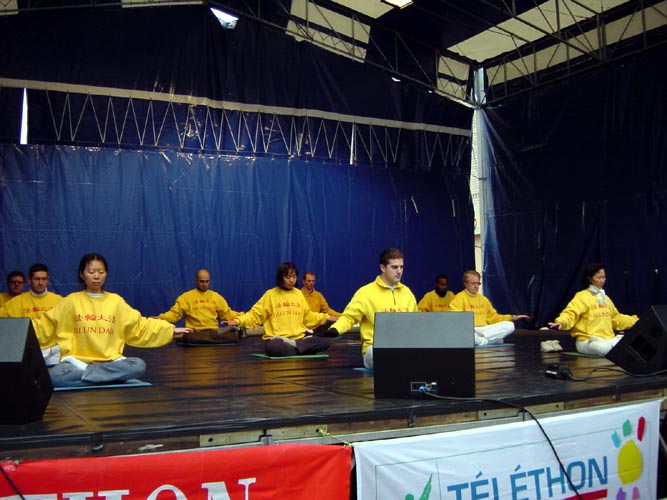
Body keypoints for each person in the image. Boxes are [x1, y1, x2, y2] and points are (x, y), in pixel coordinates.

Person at [31, 253, 190, 387]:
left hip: (110, 362)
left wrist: (170, 330)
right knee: (56, 375)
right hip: (76, 363)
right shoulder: (70, 302)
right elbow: (45, 325)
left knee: (138, 365)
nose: (96, 276)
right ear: (82, 274)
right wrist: (21, 330)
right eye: (91, 271)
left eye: (101, 272)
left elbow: (139, 325)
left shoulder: (116, 302)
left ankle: (90, 378)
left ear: (106, 274)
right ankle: (106, 378)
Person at [323, 248, 418, 370]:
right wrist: (335, 329)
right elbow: (349, 317)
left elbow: (415, 323)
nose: (399, 271)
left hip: (403, 349)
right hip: (374, 349)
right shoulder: (365, 293)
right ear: (382, 268)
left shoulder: (407, 293)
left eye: (401, 267)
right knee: (379, 355)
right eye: (394, 267)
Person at [228, 262, 334, 357]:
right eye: (288, 277)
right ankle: (302, 348)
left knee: (325, 342)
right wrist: (238, 321)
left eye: (294, 277)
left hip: (299, 338)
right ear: (281, 278)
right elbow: (255, 315)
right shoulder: (270, 295)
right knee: (274, 347)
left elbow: (308, 317)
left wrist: (327, 317)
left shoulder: (298, 294)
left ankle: (295, 346)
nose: (291, 280)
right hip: (279, 339)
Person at [548, 262, 638, 356]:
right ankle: (611, 348)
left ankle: (612, 346)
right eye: (599, 278)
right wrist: (562, 321)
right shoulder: (582, 296)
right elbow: (571, 312)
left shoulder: (605, 298)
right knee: (601, 348)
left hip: (607, 339)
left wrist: (636, 321)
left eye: (604, 277)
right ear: (590, 279)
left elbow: (616, 318)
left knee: (626, 343)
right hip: (587, 341)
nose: (602, 280)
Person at [157, 269, 242, 344]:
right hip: (196, 332)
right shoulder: (186, 297)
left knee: (234, 336)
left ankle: (212, 337)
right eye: (202, 281)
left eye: (207, 281)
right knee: (189, 337)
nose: (204, 284)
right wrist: (161, 318)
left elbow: (227, 313)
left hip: (213, 331)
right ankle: (213, 337)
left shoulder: (216, 297)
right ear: (196, 281)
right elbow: (174, 314)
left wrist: (242, 317)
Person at [0, 264, 63, 365]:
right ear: (29, 280)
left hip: (53, 352)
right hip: (25, 352)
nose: (40, 283)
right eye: (37, 279)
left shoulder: (59, 301)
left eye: (43, 279)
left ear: (48, 280)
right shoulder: (15, 303)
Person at [448, 270, 529, 346]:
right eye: (473, 283)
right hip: (470, 330)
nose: (476, 286)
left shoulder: (484, 299)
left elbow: (493, 318)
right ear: (465, 284)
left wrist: (511, 317)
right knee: (466, 333)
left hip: (484, 330)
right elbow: (453, 318)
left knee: (510, 325)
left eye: (478, 283)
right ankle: (488, 341)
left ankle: (481, 340)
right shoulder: (459, 298)